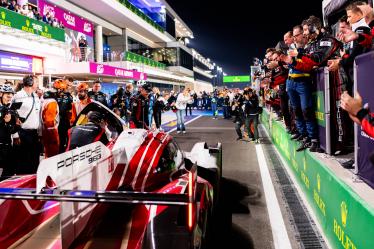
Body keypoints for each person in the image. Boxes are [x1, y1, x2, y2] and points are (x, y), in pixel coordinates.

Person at [12, 75, 42, 174]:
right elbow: (13, 115)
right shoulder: (18, 96)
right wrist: (15, 135)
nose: (38, 84)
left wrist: (40, 133)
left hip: (34, 134)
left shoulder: (36, 96)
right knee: (23, 161)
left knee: (34, 161)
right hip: (22, 133)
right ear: (30, 83)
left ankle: (33, 181)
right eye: (36, 82)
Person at [0, 85, 21, 178]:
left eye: (11, 95)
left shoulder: (11, 109)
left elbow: (12, 130)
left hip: (7, 143)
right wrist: (4, 122)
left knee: (10, 169)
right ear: (1, 94)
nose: (10, 97)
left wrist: (16, 125)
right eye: (7, 95)